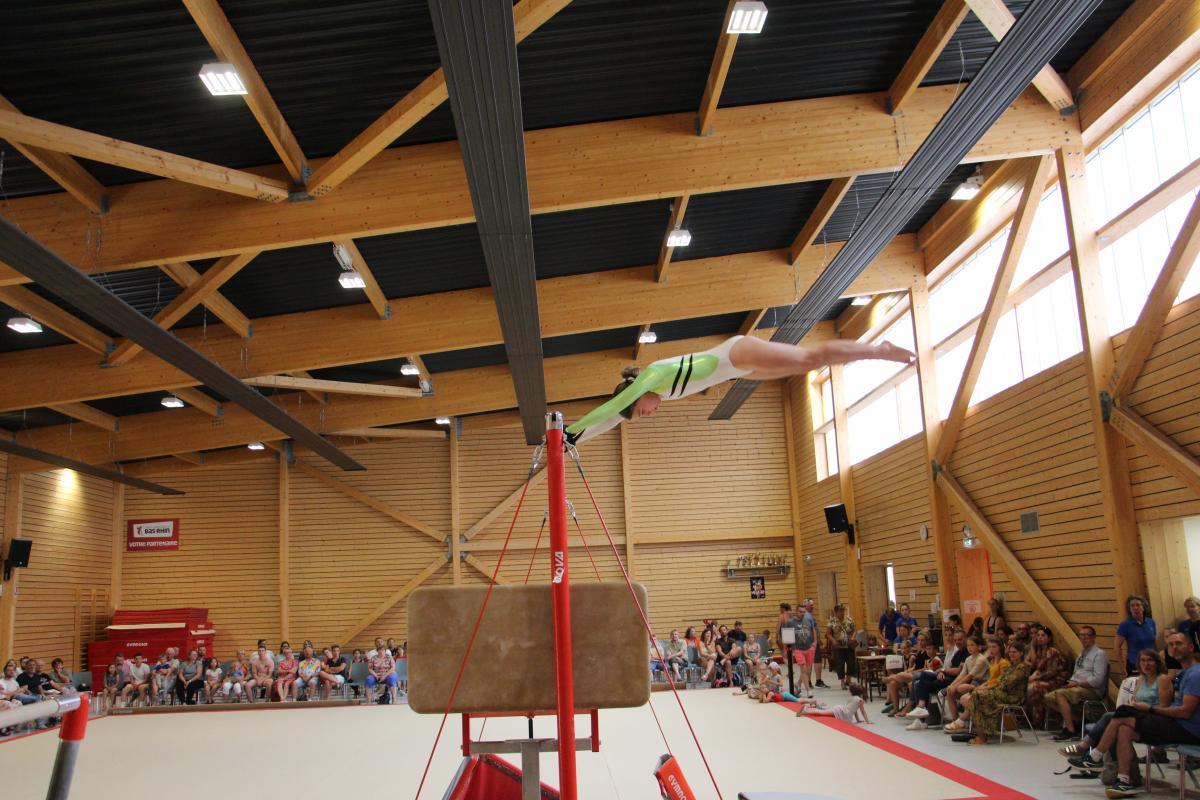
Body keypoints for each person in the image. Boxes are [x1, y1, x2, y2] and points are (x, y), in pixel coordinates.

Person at [564, 335, 914, 445]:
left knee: (810, 357)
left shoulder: (651, 378)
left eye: (643, 411)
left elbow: (610, 409)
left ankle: (879, 349)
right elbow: (614, 419)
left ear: (635, 394)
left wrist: (570, 430)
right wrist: (577, 440)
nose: (650, 413)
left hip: (735, 354)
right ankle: (870, 352)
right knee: (809, 365)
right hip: (739, 369)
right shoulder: (655, 392)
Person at [1079, 632, 1200, 798]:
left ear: (1191, 647)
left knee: (1122, 713)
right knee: (1124, 728)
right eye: (1171, 645)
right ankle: (1124, 781)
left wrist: (1150, 709)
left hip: (1188, 730)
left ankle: (1095, 755)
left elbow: (1185, 712)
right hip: (1176, 724)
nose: (1174, 647)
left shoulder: (1195, 674)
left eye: (1179, 644)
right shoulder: (1184, 673)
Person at [1059, 648, 1173, 786]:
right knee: (1116, 725)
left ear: (1157, 663)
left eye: (1150, 660)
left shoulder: (1163, 679)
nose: (1146, 664)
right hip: (1138, 717)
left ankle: (1090, 752)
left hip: (1155, 719)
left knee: (1111, 717)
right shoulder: (1141, 679)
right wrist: (1135, 706)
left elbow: (1164, 708)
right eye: (1143, 661)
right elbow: (1134, 700)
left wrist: (1145, 708)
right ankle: (1123, 774)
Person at [961, 642, 1033, 746]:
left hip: (1012, 696)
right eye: (1010, 652)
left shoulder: (1023, 667)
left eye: (1015, 652)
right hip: (1001, 693)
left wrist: (989, 688)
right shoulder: (1010, 666)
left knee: (978, 695)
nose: (1011, 654)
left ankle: (972, 728)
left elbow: (1007, 683)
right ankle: (982, 734)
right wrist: (989, 687)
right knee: (976, 695)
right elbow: (1000, 681)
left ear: (1021, 653)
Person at [1046, 626, 1109, 741]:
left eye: (1087, 635)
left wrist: (1076, 684)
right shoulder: (1081, 654)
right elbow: (1076, 674)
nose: (1084, 638)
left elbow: (1098, 680)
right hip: (1076, 686)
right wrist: (1071, 683)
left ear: (1093, 637)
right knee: (1049, 697)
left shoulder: (1099, 654)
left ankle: (1070, 730)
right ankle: (1078, 721)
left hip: (1092, 690)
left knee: (1060, 695)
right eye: (1082, 635)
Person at [905, 629, 969, 729]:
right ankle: (920, 719)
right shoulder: (957, 653)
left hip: (955, 681)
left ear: (965, 639)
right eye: (956, 640)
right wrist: (942, 672)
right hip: (947, 677)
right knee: (922, 680)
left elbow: (958, 671)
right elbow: (949, 668)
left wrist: (943, 671)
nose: (957, 642)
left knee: (922, 677)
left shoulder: (966, 652)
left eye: (960, 640)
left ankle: (920, 707)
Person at [944, 637, 1008, 733]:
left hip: (993, 689)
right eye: (990, 647)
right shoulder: (991, 661)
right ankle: (957, 721)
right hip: (985, 686)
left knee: (967, 697)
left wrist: (984, 687)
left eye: (994, 647)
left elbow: (1001, 681)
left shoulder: (1001, 662)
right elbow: (963, 675)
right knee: (957, 694)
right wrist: (952, 686)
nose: (991, 649)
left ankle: (962, 722)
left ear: (1000, 648)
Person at [1024, 626, 1068, 728]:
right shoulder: (1039, 650)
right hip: (1043, 679)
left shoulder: (1052, 651)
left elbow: (1051, 672)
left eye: (1043, 635)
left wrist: (1035, 678)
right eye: (1038, 635)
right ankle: (1027, 718)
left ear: (1049, 638)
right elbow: (1034, 665)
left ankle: (1037, 720)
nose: (1039, 637)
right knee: (1025, 686)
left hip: (1056, 680)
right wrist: (1032, 646)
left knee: (1034, 687)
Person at [945, 635, 990, 722]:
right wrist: (951, 685)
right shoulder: (968, 659)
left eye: (972, 645)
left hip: (982, 685)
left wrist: (955, 687)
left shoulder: (981, 659)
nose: (969, 647)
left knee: (960, 687)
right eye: (968, 645)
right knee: (950, 692)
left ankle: (961, 721)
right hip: (972, 683)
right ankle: (955, 720)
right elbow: (961, 675)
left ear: (979, 647)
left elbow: (969, 676)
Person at [1115, 595, 1156, 679]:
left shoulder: (1151, 622)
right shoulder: (1125, 625)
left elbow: (1153, 642)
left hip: (1151, 662)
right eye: (1132, 606)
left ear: (1143, 607)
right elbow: (1117, 647)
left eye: (1138, 605)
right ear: (1129, 609)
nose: (1135, 608)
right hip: (1135, 663)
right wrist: (1122, 667)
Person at [795, 683, 870, 724]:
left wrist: (858, 720)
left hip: (841, 709)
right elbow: (862, 711)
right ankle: (805, 711)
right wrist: (867, 721)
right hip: (843, 713)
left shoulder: (853, 698)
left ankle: (806, 710)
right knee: (821, 713)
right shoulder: (860, 700)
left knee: (822, 712)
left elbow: (855, 711)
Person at [792, 602, 819, 698]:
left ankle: (798, 684)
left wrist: (815, 642)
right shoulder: (792, 622)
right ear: (796, 611)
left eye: (804, 612)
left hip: (809, 647)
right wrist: (791, 647)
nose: (802, 614)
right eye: (800, 612)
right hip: (798, 649)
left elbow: (813, 629)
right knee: (803, 669)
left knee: (807, 670)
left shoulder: (808, 619)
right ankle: (808, 690)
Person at [827, 604, 857, 689]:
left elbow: (855, 630)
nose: (842, 612)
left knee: (851, 663)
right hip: (838, 646)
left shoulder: (849, 620)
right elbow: (828, 634)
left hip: (849, 645)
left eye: (843, 611)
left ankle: (848, 680)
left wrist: (853, 637)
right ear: (836, 612)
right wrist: (833, 641)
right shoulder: (832, 621)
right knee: (840, 664)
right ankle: (842, 682)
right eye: (840, 611)